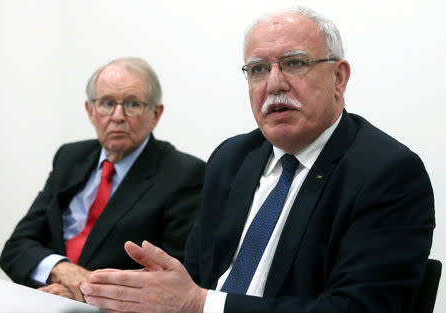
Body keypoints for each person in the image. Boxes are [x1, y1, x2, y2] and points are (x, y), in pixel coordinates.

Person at [80, 7, 435, 313]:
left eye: (295, 63)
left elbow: (356, 309)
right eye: (258, 69)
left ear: (338, 78)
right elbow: (196, 278)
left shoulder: (387, 173)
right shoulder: (232, 158)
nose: (274, 84)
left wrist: (201, 304)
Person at [0, 57, 205, 302]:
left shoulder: (184, 174)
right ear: (91, 110)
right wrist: (63, 272)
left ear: (155, 114)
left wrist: (85, 293)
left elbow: (174, 281)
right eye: (107, 103)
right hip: (47, 298)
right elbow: (16, 248)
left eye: (132, 104)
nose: (118, 116)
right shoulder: (69, 158)